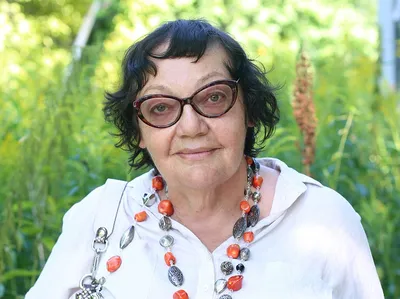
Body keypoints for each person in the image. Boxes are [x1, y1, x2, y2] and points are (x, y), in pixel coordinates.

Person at [26, 19, 384, 299]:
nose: (191, 126)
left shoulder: (325, 222)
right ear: (138, 131)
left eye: (213, 98)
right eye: (161, 107)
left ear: (250, 110)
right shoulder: (97, 219)